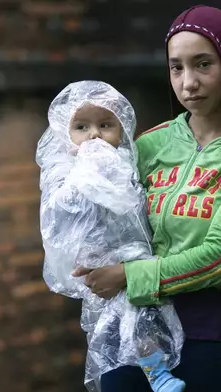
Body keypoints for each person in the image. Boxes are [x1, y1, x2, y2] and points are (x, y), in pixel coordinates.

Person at [73, 5, 221, 392]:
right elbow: (109, 217)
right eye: (176, 67)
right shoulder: (149, 144)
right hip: (133, 342)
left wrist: (128, 276)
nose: (188, 83)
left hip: (207, 343)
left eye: (203, 65)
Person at [36, 80, 186, 392]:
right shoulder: (65, 170)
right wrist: (85, 177)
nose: (94, 135)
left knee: (141, 314)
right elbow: (60, 213)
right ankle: (155, 375)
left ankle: (157, 373)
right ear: (66, 133)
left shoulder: (129, 162)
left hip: (132, 256)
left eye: (105, 125)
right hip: (96, 261)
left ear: (122, 128)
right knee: (117, 321)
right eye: (81, 127)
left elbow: (134, 204)